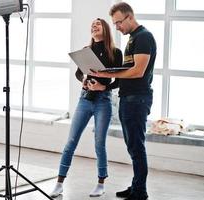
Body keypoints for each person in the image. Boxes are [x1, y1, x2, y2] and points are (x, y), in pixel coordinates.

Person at [49, 18, 123, 198]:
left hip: (103, 101)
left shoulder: (115, 52)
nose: (94, 26)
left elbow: (119, 81)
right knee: (71, 142)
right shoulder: (86, 51)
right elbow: (78, 73)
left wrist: (103, 87)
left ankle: (100, 183)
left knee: (99, 143)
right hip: (85, 99)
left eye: (98, 24)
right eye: (92, 25)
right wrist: (84, 81)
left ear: (105, 29)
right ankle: (59, 183)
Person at [91, 2, 156, 200]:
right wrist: (106, 82)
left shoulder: (143, 37)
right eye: (114, 23)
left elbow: (138, 71)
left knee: (137, 147)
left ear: (129, 17)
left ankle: (140, 192)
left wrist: (107, 72)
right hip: (128, 99)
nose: (117, 27)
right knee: (133, 147)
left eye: (119, 22)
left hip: (137, 100)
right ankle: (136, 186)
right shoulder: (133, 38)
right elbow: (126, 72)